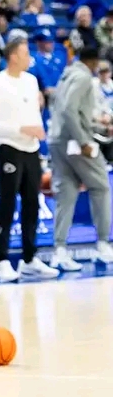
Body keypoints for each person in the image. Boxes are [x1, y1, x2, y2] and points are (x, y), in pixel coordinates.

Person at [0, 38, 58, 283]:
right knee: (7, 202)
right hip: (8, 147)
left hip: (31, 149)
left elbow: (32, 113)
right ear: (13, 56)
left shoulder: (31, 81)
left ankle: (29, 258)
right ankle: (1, 260)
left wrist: (36, 130)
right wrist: (20, 129)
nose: (29, 58)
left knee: (32, 203)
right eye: (25, 53)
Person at [48, 46, 113, 271]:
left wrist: (97, 126)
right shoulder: (84, 77)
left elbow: (66, 110)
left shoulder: (65, 75)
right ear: (93, 62)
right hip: (75, 142)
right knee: (101, 187)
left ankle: (59, 250)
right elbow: (69, 110)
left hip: (57, 140)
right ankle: (103, 245)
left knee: (66, 193)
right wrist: (83, 140)